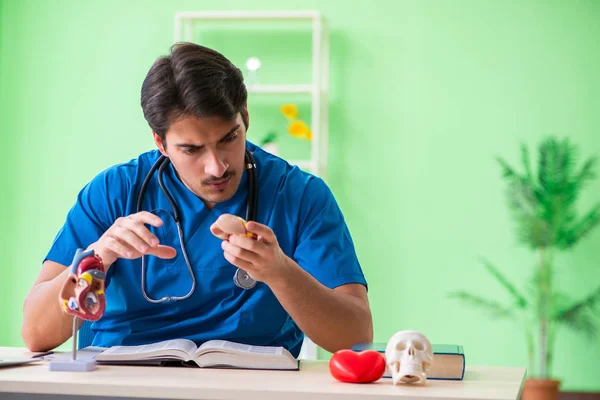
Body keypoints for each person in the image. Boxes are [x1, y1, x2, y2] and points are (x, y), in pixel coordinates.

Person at [21, 42, 373, 356]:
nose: (217, 166)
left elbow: (356, 337)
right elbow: (36, 335)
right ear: (160, 143)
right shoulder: (114, 192)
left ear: (245, 118)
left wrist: (280, 273)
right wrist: (99, 257)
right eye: (191, 149)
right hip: (122, 385)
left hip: (250, 392)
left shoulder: (299, 195)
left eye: (229, 138)